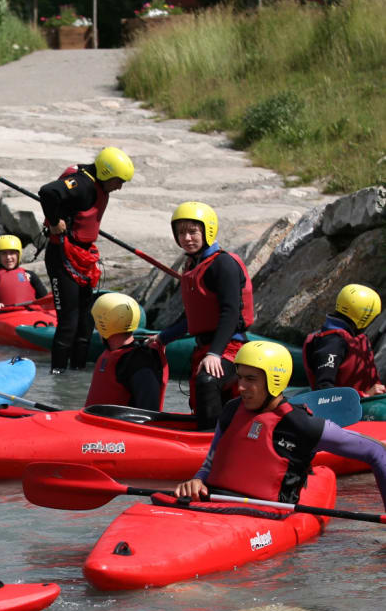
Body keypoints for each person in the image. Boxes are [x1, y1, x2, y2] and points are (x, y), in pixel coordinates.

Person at [175, 341, 386, 506]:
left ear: (274, 379)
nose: (240, 387)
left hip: (266, 517)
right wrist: (197, 480)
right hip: (213, 506)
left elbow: (376, 452)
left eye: (250, 379)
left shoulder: (302, 425)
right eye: (239, 378)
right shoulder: (231, 410)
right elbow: (209, 465)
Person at [151, 202, 254, 430]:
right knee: (202, 386)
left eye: (192, 232)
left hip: (231, 347)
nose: (187, 238)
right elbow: (194, 316)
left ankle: (209, 443)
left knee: (207, 379)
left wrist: (215, 353)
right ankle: (207, 430)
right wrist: (163, 338)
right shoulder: (193, 264)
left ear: (207, 230)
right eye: (181, 233)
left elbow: (230, 312)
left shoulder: (223, 264)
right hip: (207, 348)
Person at [38, 147, 134, 374]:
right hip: (62, 257)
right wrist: (53, 221)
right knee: (69, 324)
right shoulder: (82, 185)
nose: (119, 186)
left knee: (85, 325)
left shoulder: (97, 184)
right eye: (118, 181)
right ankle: (58, 376)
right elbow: (47, 192)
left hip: (83, 258)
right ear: (105, 172)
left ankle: (78, 375)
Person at [85, 293, 168, 411]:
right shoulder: (112, 353)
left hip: (118, 428)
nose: (96, 327)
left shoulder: (140, 363)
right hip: (96, 425)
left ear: (104, 324)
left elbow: (149, 413)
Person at [303, 284, 384, 397]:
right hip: (344, 409)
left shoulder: (353, 337)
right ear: (364, 316)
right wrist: (365, 395)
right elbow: (323, 390)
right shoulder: (333, 342)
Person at [0, 235, 49, 316]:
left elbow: (45, 300)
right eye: (4, 253)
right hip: (4, 318)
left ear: (18, 255)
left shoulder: (30, 275)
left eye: (12, 253)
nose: (8, 257)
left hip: (30, 316)